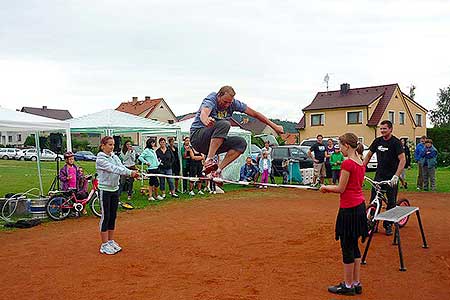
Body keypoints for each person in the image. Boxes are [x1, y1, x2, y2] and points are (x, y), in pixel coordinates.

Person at [190, 86, 283, 179]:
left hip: (212, 144)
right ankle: (209, 161)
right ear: (219, 96)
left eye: (229, 103)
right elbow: (204, 112)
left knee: (241, 143)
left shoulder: (234, 104)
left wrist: (274, 126)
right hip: (198, 138)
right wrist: (206, 120)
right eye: (224, 102)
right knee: (225, 124)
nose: (226, 105)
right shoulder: (211, 99)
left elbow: (255, 114)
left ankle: (217, 171)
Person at [320, 133, 368, 296]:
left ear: (347, 145)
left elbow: (341, 188)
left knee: (347, 247)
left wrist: (325, 188)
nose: (339, 149)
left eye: (340, 146)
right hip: (359, 207)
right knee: (354, 246)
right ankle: (355, 282)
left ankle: (348, 286)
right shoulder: (361, 161)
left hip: (349, 209)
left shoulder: (347, 163)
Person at [96, 136, 139, 255]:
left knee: (113, 216)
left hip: (115, 189)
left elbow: (121, 167)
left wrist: (132, 173)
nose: (112, 147)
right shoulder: (100, 159)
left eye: (113, 145)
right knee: (106, 216)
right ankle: (104, 244)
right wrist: (130, 173)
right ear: (103, 146)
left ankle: (110, 241)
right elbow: (114, 169)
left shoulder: (114, 157)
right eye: (109, 144)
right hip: (105, 190)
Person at [363, 120, 406, 236]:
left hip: (391, 177)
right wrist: (362, 169)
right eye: (381, 129)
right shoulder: (377, 141)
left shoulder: (396, 143)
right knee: (374, 200)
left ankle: (388, 225)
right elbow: (368, 155)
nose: (382, 131)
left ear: (391, 129)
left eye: (384, 129)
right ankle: (373, 223)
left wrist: (396, 176)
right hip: (379, 176)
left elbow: (402, 160)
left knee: (391, 202)